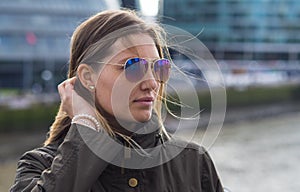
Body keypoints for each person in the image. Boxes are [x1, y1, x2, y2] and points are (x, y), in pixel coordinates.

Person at [10, 9, 223, 192]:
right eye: (133, 66)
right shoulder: (39, 166)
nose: (152, 82)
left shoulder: (193, 162)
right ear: (87, 77)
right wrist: (86, 126)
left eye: (159, 68)